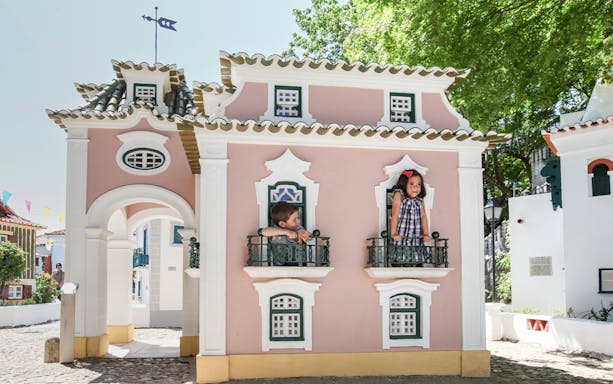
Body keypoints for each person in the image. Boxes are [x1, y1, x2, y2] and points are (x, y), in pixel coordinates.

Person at [260, 201, 313, 265]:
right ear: (282, 224)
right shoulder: (275, 230)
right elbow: (263, 231)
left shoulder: (296, 227)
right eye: (294, 220)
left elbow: (305, 233)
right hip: (279, 267)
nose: (298, 221)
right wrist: (287, 232)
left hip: (296, 265)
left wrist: (302, 231)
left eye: (298, 218)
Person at [390, 169, 431, 247]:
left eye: (419, 184)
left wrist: (426, 234)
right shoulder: (399, 195)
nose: (416, 187)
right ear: (404, 184)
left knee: (416, 258)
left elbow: (423, 216)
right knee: (401, 258)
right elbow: (395, 215)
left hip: (416, 239)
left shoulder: (419, 199)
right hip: (401, 238)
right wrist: (393, 233)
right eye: (412, 184)